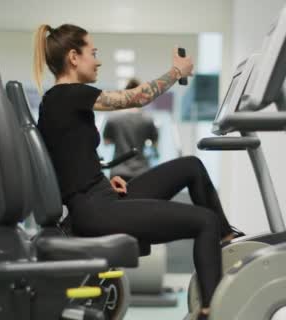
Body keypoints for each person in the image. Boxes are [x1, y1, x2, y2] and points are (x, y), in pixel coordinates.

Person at [33, 24, 243, 319]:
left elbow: (67, 158)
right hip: (95, 211)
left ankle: (224, 238)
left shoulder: (59, 102)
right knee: (203, 221)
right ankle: (210, 311)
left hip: (101, 197)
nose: (98, 60)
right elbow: (137, 98)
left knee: (191, 167)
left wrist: (102, 179)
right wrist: (176, 72)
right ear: (73, 57)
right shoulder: (67, 95)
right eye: (93, 53)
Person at [102, 78, 159, 181]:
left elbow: (107, 142)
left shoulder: (113, 118)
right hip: (142, 171)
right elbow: (154, 143)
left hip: (118, 170)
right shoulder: (147, 119)